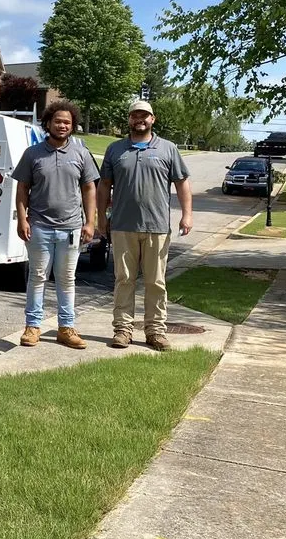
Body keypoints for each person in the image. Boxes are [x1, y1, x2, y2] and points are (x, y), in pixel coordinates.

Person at [96, 100, 193, 351]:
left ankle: (156, 331)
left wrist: (187, 215)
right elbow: (104, 185)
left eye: (145, 115)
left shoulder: (168, 149)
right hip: (122, 226)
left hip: (157, 226)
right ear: (129, 119)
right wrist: (100, 217)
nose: (140, 119)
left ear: (153, 119)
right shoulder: (115, 149)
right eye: (135, 115)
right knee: (123, 279)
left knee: (156, 282)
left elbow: (182, 183)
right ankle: (123, 330)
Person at [12, 100, 99, 349]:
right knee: (37, 277)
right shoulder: (33, 154)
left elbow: (89, 188)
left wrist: (90, 222)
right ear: (48, 123)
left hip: (71, 228)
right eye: (58, 121)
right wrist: (22, 217)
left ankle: (66, 328)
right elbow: (22, 189)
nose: (62, 125)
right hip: (39, 226)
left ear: (73, 126)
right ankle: (32, 327)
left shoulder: (81, 154)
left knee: (66, 279)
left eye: (67, 122)